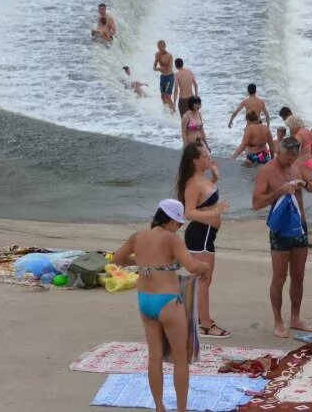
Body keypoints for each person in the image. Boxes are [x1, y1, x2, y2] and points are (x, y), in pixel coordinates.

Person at [113, 200, 208, 412]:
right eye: (179, 223)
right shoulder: (171, 239)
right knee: (180, 358)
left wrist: (142, 264)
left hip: (145, 300)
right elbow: (191, 265)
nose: (180, 227)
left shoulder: (138, 236)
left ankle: (159, 407)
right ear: (171, 220)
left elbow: (118, 258)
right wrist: (206, 265)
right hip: (167, 302)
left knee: (154, 356)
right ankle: (182, 409)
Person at [252, 137, 312, 337]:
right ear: (279, 151)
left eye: (293, 158)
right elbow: (256, 203)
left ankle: (295, 318)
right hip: (280, 229)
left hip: (300, 226)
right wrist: (279, 191)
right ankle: (278, 321)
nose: (290, 162)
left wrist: (305, 183)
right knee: (279, 276)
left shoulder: (298, 166)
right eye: (287, 158)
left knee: (298, 275)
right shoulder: (266, 171)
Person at [176, 144, 230, 338]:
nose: (209, 159)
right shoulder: (192, 184)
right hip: (200, 234)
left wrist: (215, 177)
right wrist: (214, 213)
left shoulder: (203, 179)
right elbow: (188, 212)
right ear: (195, 161)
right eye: (205, 157)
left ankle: (201, 319)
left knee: (205, 279)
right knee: (203, 280)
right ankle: (205, 325)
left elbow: (207, 199)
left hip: (207, 234)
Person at [279, 106, 312, 188]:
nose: (290, 129)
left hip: (305, 164)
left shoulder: (299, 135)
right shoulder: (308, 131)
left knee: (299, 186)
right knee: (311, 185)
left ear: (293, 125)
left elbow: (293, 152)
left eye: (290, 126)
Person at [154, 41, 175, 112]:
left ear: (165, 46)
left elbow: (165, 68)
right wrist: (156, 67)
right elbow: (154, 67)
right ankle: (166, 111)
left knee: (168, 96)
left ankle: (173, 111)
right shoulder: (157, 54)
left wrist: (158, 68)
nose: (160, 48)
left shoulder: (169, 56)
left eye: (161, 47)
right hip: (162, 77)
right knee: (162, 96)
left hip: (169, 77)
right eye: (158, 47)